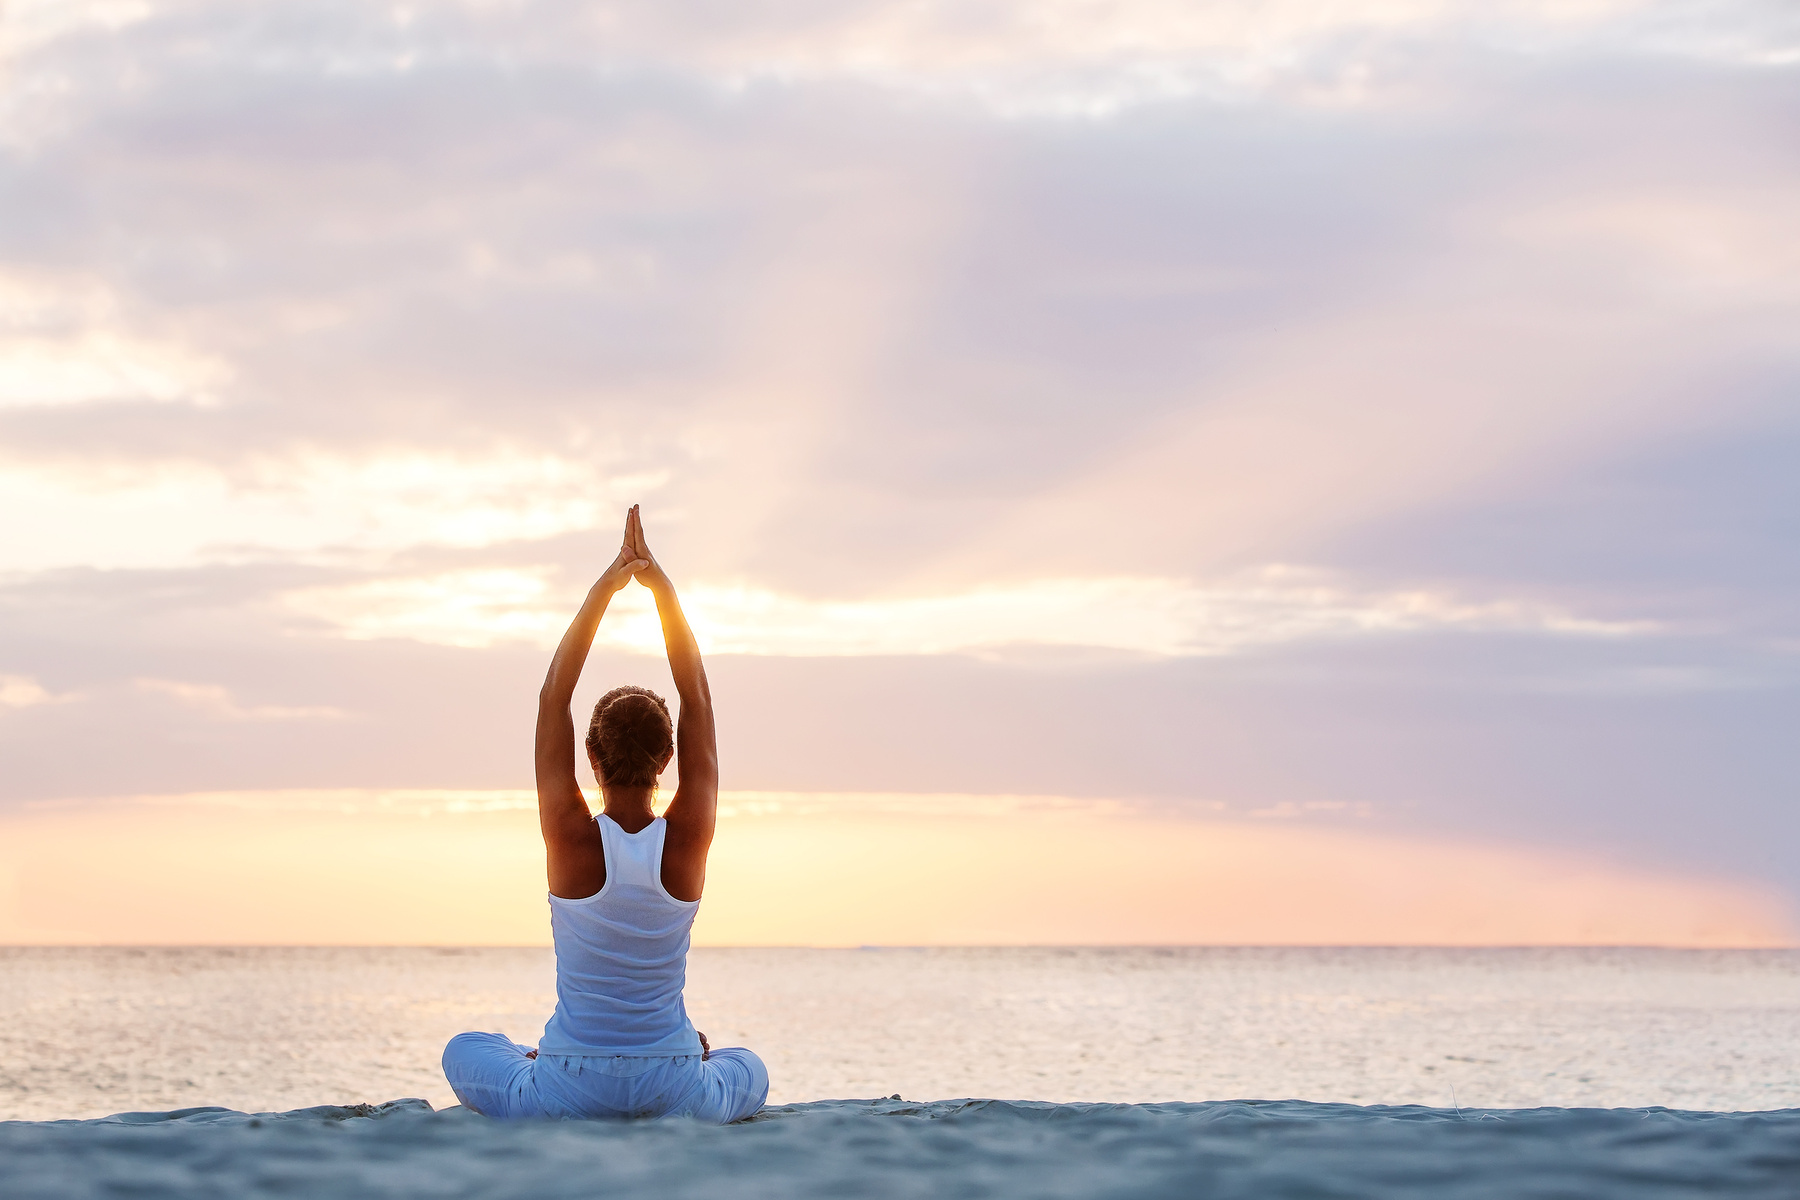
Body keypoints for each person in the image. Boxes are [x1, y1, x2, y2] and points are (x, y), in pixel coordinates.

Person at [442, 505, 768, 1122]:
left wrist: (606, 588)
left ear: (589, 755)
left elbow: (552, 696)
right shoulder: (686, 841)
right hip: (674, 1084)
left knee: (465, 1050)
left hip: (569, 1084)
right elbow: (695, 693)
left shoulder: (569, 840)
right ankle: (683, 1055)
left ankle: (539, 1058)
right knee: (750, 1066)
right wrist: (661, 592)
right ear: (668, 758)